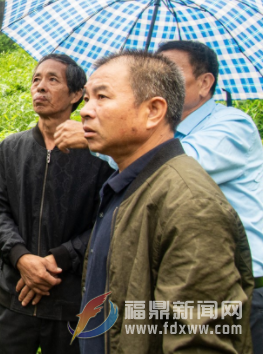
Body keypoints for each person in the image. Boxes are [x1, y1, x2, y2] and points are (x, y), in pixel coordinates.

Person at [54, 40, 263, 352]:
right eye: (87, 98)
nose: (85, 111)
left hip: (237, 287)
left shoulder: (227, 132)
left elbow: (181, 161)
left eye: (102, 97)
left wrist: (109, 140)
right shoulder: (133, 181)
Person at [0, 54, 114, 354]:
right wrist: (22, 259)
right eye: (36, 79)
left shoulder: (100, 157)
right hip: (14, 298)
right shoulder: (11, 148)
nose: (40, 87)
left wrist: (56, 260)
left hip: (70, 304)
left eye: (52, 80)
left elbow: (105, 221)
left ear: (76, 95)